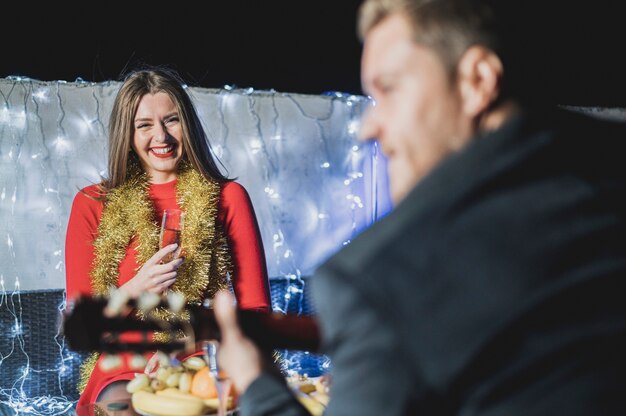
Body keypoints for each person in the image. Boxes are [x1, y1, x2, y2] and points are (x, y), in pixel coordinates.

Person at [212, 0, 626, 415]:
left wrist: (256, 383)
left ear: (476, 81)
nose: (369, 127)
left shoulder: (382, 279)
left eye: (388, 89)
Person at [64, 65, 272, 412]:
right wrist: (135, 289)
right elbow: (82, 323)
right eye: (144, 125)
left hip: (202, 356)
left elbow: (256, 310)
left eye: (171, 120)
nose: (161, 136)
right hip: (123, 364)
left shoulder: (229, 197)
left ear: (187, 124)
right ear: (126, 135)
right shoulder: (91, 203)